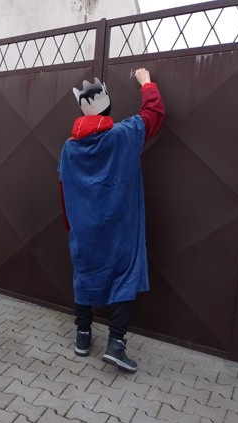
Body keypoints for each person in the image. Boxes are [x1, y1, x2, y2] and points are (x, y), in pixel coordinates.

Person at [58, 68, 164, 373]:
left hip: (83, 229)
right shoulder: (124, 134)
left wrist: (71, 226)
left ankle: (82, 336)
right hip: (120, 229)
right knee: (124, 275)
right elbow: (154, 114)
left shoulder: (69, 148)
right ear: (108, 107)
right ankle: (116, 344)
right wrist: (146, 83)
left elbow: (63, 188)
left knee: (84, 274)